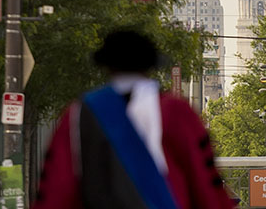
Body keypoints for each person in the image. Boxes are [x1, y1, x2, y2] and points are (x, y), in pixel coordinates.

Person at [33, 28, 235, 209]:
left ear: (107, 67)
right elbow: (203, 182)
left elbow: (57, 187)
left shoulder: (78, 113)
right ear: (149, 66)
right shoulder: (176, 112)